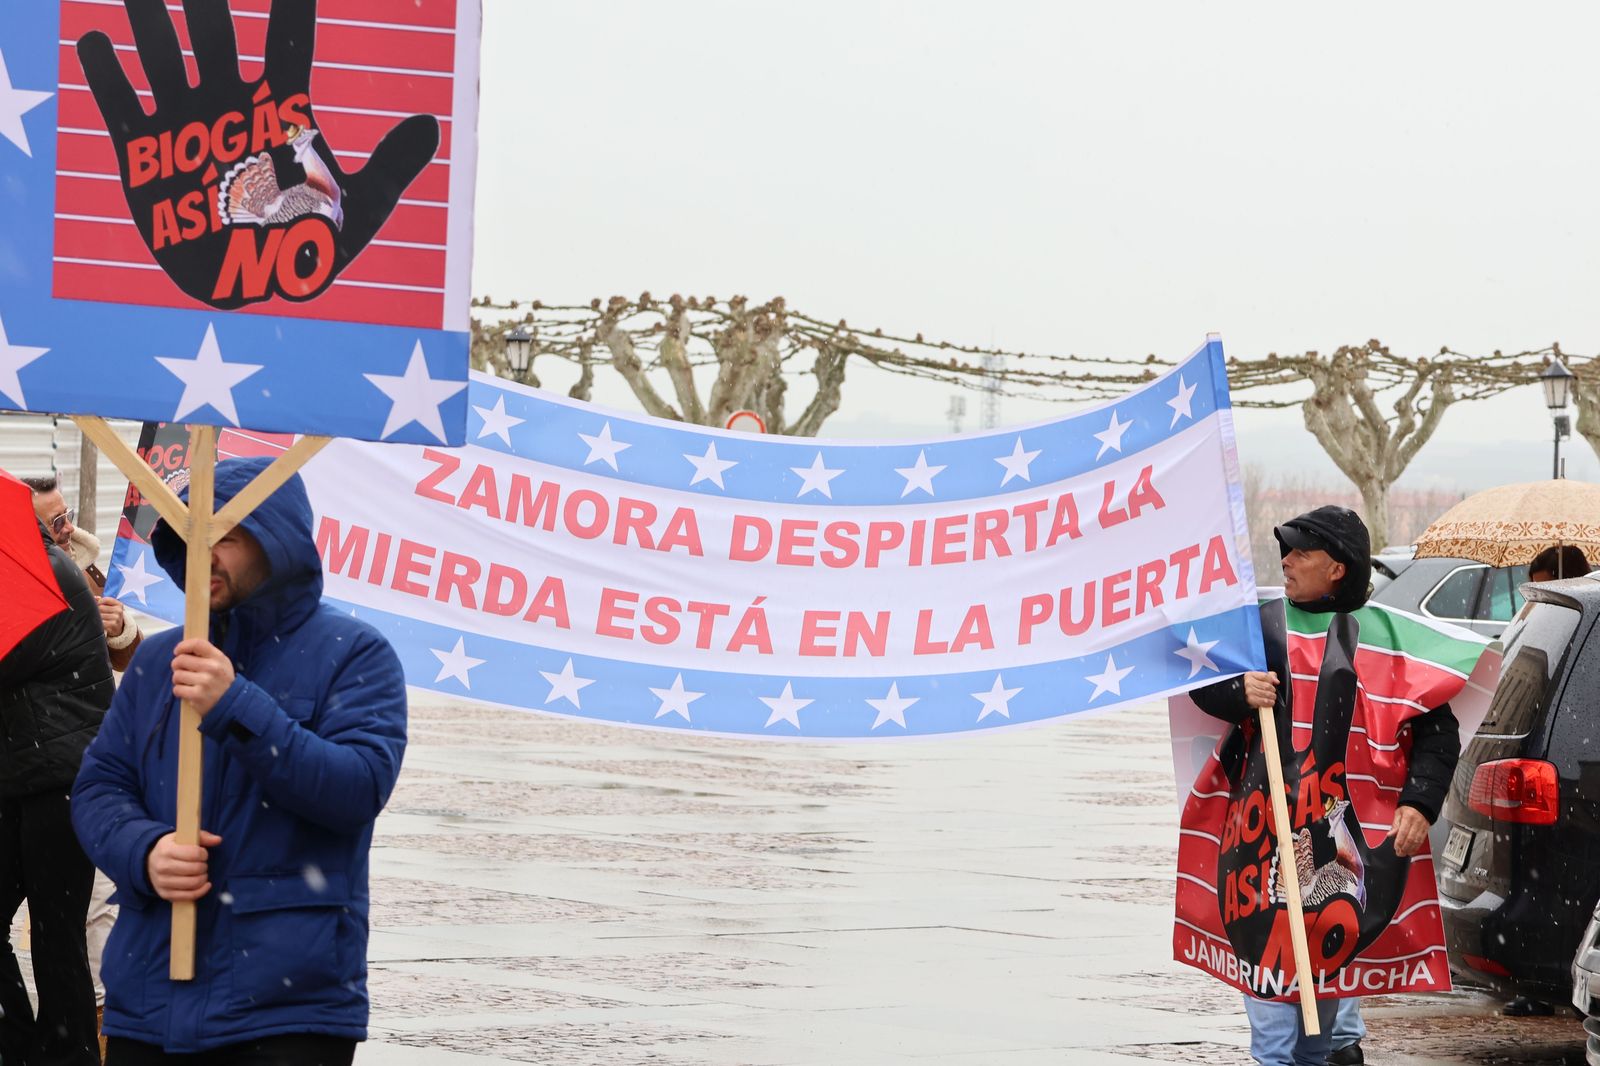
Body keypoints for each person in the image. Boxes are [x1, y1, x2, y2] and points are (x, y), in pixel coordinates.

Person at [71, 459, 408, 1065]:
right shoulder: (157, 662)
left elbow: (357, 789)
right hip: (148, 997)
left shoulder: (355, 655)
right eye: (190, 537)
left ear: (276, 541)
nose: (205, 556)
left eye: (224, 536)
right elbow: (100, 786)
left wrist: (237, 706)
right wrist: (145, 851)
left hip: (285, 1008)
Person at [1191, 506, 1462, 1066]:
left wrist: (1420, 802)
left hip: (1343, 861)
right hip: (1259, 854)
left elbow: (1439, 732)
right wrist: (1239, 691)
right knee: (1273, 1029)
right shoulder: (1261, 627)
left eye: (1301, 553)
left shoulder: (1390, 639)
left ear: (1337, 568)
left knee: (1319, 1035)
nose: (1286, 561)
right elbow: (1201, 684)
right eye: (1285, 550)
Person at [0, 509, 115, 1065]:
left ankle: (65, 1057)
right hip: (19, 779)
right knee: (52, 932)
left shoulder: (45, 578)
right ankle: (21, 1048)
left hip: (63, 781)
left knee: (56, 934)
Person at [23, 474, 142, 670]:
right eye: (58, 522)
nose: (70, 528)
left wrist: (119, 630)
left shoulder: (83, 568)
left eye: (68, 516)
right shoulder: (11, 582)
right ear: (29, 528)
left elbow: (131, 663)